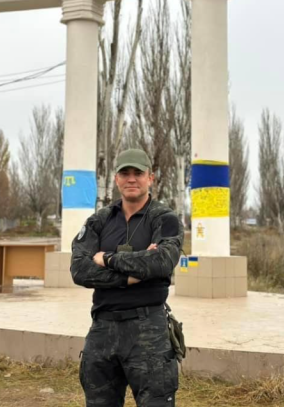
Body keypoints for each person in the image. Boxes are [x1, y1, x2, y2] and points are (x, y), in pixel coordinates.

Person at [71, 148, 184, 407]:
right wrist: (129, 277)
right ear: (116, 179)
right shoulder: (99, 221)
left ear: (150, 178)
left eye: (138, 173)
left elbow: (161, 262)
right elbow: (79, 270)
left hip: (149, 329)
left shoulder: (165, 219)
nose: (131, 179)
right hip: (103, 329)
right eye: (125, 173)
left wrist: (108, 259)